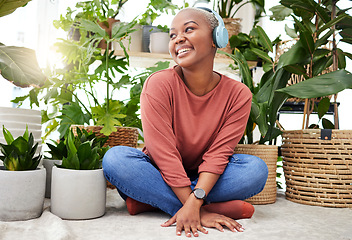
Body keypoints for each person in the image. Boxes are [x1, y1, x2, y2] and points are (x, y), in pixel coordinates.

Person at [102, 7, 268, 237]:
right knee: (115, 159)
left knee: (255, 170)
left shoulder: (239, 95)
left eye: (189, 29)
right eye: (172, 35)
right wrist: (197, 207)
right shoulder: (158, 84)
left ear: (216, 38)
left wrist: (197, 195)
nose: (178, 38)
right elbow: (163, 154)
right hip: (160, 173)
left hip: (207, 178)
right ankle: (202, 211)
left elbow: (219, 154)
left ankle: (152, 203)